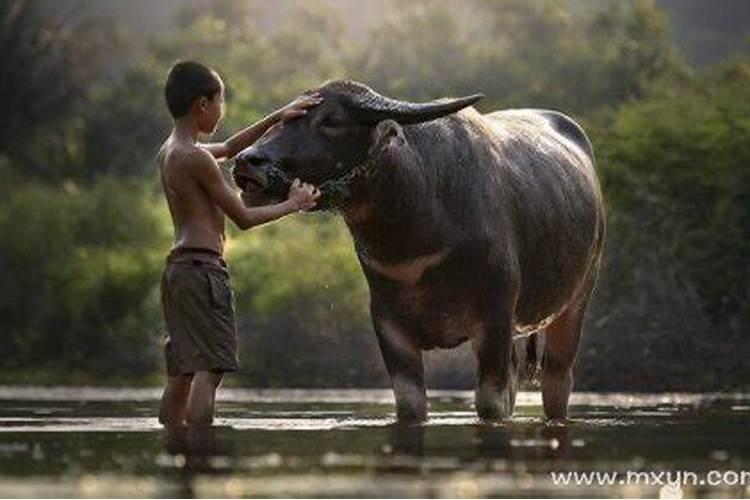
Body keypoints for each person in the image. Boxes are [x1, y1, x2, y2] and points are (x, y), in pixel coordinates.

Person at [156, 60, 321, 427]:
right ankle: (199, 452)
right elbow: (244, 219)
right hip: (203, 272)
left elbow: (230, 147)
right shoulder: (196, 158)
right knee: (209, 369)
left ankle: (175, 452)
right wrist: (293, 204)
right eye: (220, 102)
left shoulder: (171, 151)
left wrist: (278, 117)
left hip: (178, 272)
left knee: (182, 370)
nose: (221, 110)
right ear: (202, 105)